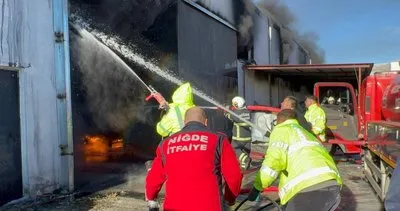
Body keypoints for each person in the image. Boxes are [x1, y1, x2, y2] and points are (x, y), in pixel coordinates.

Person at [145, 107, 243, 211]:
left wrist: (151, 197)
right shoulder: (219, 140)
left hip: (174, 207)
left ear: (184, 122)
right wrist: (229, 199)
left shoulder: (165, 143)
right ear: (206, 122)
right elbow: (234, 175)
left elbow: (154, 178)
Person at [247, 109, 342, 211]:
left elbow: (274, 161)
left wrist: (257, 187)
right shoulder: (306, 134)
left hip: (306, 188)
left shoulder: (281, 130)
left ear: (279, 121)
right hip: (332, 185)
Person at [224, 96, 252, 170]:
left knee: (234, 148)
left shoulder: (235, 114)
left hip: (238, 138)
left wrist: (226, 109)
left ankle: (245, 160)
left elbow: (227, 115)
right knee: (246, 151)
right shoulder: (249, 112)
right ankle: (244, 166)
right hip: (248, 138)